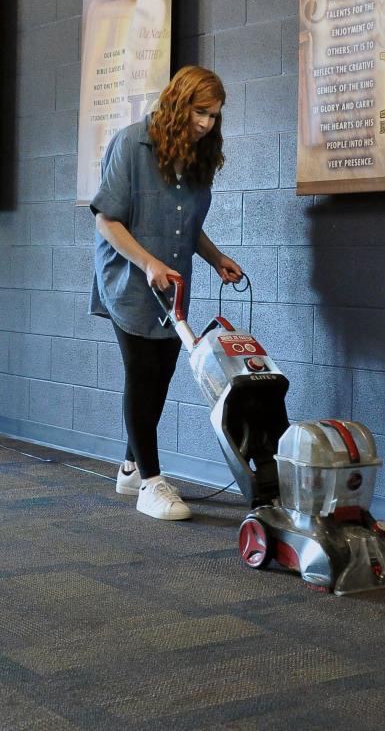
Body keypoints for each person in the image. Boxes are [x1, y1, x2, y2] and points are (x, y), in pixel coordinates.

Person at [89, 65, 242, 520]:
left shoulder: (196, 157)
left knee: (161, 374)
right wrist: (148, 262)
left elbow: (187, 226)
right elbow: (107, 219)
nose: (207, 124)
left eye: (214, 116)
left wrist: (217, 259)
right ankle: (151, 484)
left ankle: (132, 466)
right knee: (141, 372)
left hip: (172, 286)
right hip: (130, 279)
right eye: (200, 112)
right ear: (178, 103)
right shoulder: (131, 143)